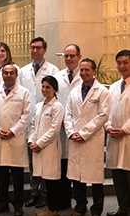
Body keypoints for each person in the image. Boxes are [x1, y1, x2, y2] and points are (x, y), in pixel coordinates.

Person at [64, 58, 110, 216]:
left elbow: (103, 115)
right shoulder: (74, 91)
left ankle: (97, 209)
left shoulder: (102, 91)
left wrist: (84, 133)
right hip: (75, 138)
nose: (83, 73)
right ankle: (80, 206)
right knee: (77, 177)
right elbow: (67, 114)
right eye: (81, 70)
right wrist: (71, 132)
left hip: (92, 139)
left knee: (95, 178)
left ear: (94, 71)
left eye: (87, 70)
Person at [0, 64, 31, 216]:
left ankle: (18, 205)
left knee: (17, 177)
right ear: (2, 75)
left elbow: (26, 116)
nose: (9, 75)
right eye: (6, 73)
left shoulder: (24, 93)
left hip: (15, 139)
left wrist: (12, 131)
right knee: (1, 176)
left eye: (12, 73)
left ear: (16, 75)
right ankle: (2, 203)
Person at [19, 37, 59, 208]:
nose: (35, 50)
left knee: (46, 165)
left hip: (48, 121)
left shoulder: (53, 69)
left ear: (45, 49)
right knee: (32, 163)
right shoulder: (23, 71)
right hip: (30, 122)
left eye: (38, 48)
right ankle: (34, 193)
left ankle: (44, 194)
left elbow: (55, 91)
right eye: (32, 47)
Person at [28, 76, 65, 216]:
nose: (44, 89)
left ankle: (53, 209)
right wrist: (31, 141)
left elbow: (54, 130)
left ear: (54, 89)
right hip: (37, 148)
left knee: (52, 182)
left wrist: (40, 143)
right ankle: (49, 207)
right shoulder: (38, 106)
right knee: (45, 179)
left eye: (47, 87)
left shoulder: (57, 106)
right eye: (43, 86)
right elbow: (33, 125)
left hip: (49, 148)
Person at [54, 44, 83, 211]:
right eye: (66, 56)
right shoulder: (58, 76)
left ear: (79, 57)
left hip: (77, 129)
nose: (69, 59)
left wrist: (71, 125)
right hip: (60, 128)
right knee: (63, 166)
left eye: (72, 56)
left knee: (77, 169)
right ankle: (64, 201)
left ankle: (80, 203)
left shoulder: (85, 76)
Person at [105, 49, 130, 216]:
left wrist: (125, 129)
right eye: (119, 63)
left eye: (125, 62)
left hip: (127, 136)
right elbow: (105, 111)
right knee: (118, 177)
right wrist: (108, 126)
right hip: (114, 137)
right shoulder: (113, 87)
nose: (122, 66)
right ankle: (123, 208)